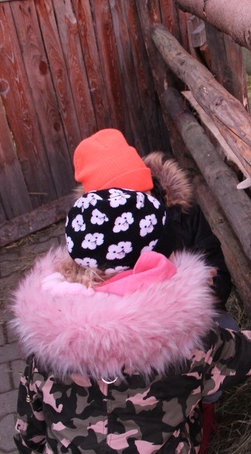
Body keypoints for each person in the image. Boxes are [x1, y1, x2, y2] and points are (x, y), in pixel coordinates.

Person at [10, 186, 251, 454]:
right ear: (151, 260)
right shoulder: (181, 340)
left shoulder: (50, 340)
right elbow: (249, 354)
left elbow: (30, 417)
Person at [72, 128, 234, 321]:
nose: (139, 207)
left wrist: (207, 286)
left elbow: (219, 273)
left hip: (200, 317)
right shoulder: (92, 241)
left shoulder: (182, 212)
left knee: (227, 327)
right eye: (125, 200)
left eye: (142, 193)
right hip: (139, 331)